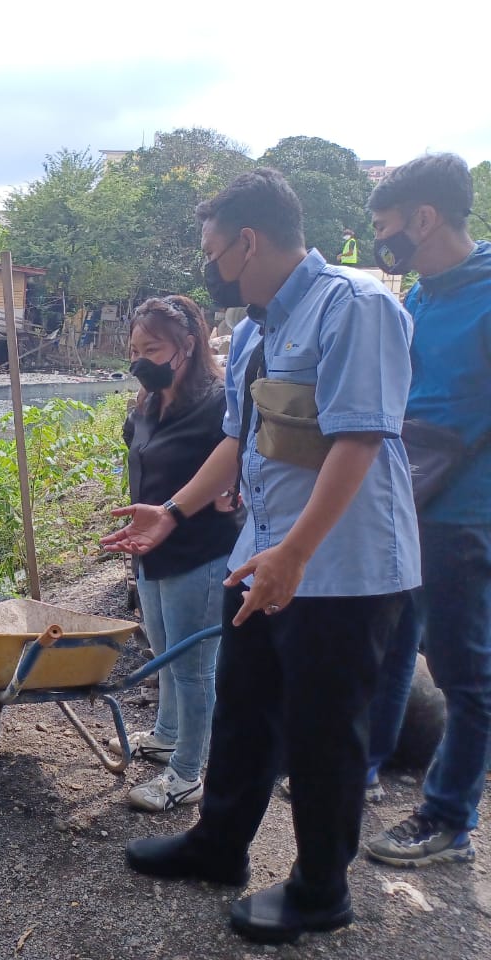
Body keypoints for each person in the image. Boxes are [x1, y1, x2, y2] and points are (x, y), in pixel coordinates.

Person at [101, 168, 420, 945]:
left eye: (212, 251)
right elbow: (237, 442)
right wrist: (173, 512)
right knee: (245, 708)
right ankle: (219, 846)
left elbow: (360, 439)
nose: (206, 268)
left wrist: (297, 554)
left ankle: (320, 890)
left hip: (342, 567)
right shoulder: (254, 327)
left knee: (322, 730)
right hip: (262, 555)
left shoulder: (356, 308)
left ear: (248, 241)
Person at [361, 153, 491, 867]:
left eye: (385, 226)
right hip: (407, 500)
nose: (381, 239)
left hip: (463, 516)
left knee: (465, 674)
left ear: (424, 217)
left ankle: (449, 818)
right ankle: (367, 765)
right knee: (390, 643)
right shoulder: (420, 296)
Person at [110, 295, 240, 812]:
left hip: (199, 550)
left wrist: (229, 494)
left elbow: (242, 463)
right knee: (163, 653)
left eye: (153, 348)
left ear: (187, 346)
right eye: (135, 348)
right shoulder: (144, 405)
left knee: (192, 667)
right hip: (150, 547)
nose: (141, 358)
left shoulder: (219, 403)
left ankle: (187, 775)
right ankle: (165, 737)